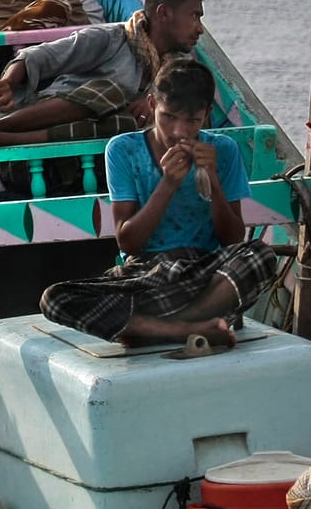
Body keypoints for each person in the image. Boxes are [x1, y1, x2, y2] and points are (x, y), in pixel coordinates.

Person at [38, 58, 282, 346]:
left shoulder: (223, 150)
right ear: (152, 104)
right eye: (169, 117)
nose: (179, 131)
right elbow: (129, 243)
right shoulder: (123, 149)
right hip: (146, 274)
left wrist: (213, 180)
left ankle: (161, 326)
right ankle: (186, 328)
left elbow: (232, 239)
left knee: (261, 255)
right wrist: (168, 184)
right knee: (55, 298)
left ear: (206, 114)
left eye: (192, 121)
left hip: (202, 273)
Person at [0, 0, 207, 150]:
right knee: (111, 92)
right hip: (38, 120)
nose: (199, 28)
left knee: (127, 122)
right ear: (164, 13)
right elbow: (39, 56)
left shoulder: (179, 68)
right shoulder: (111, 39)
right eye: (194, 16)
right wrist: (9, 82)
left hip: (78, 156)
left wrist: (154, 100)